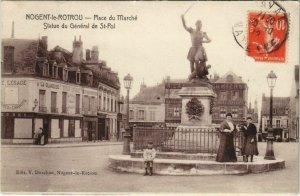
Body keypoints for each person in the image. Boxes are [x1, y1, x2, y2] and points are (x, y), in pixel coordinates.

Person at [181, 14, 211, 80]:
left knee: (197, 59)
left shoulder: (203, 33)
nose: (200, 26)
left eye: (201, 25)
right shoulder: (192, 30)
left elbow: (209, 40)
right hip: (193, 47)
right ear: (196, 25)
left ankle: (201, 74)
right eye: (198, 24)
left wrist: (203, 41)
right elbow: (185, 26)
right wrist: (182, 19)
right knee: (191, 62)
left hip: (200, 48)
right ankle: (193, 77)